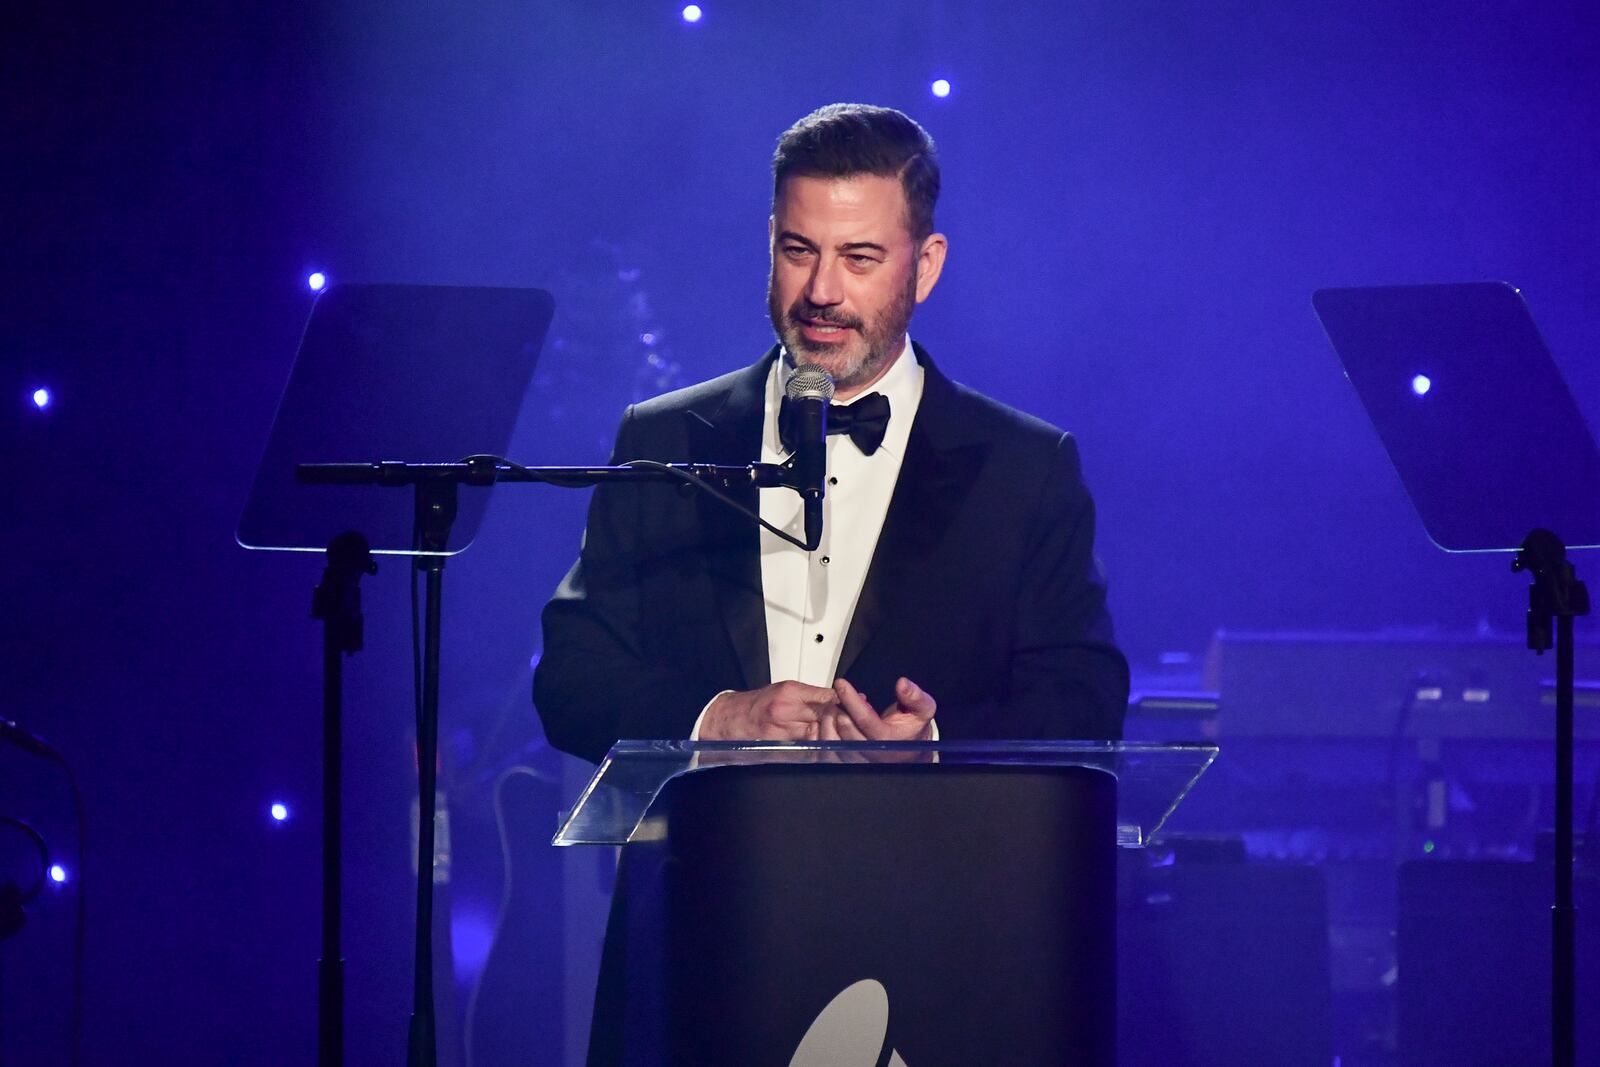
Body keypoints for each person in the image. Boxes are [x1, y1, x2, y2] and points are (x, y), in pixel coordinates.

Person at [534, 103, 1128, 763]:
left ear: (925, 266)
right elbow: (570, 675)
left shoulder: (1025, 467)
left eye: (860, 257)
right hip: (707, 856)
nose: (821, 289)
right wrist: (714, 719)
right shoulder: (664, 439)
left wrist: (935, 743)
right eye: (798, 251)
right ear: (769, 243)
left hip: (923, 858)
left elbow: (1086, 696)